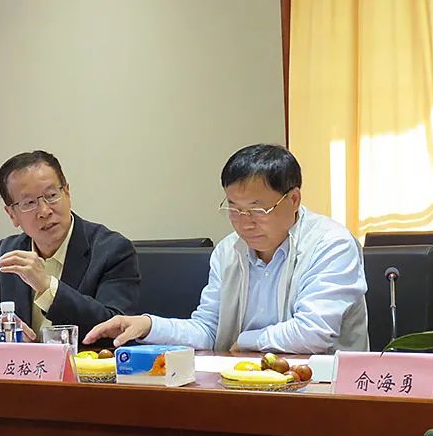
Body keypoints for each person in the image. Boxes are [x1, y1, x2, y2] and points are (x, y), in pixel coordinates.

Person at [84, 144, 368, 354]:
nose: (244, 222)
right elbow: (208, 330)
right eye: (234, 208)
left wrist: (243, 341)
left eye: (258, 209)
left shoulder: (331, 244)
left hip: (322, 389)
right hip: (242, 385)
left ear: (293, 199)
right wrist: (149, 326)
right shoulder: (228, 250)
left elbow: (312, 333)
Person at [0, 150, 140, 345]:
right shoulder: (8, 251)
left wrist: (47, 286)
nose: (44, 211)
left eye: (52, 195)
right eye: (29, 203)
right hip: (21, 365)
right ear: (12, 214)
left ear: (67, 192)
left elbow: (114, 327)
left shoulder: (112, 250)